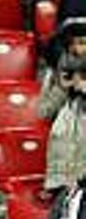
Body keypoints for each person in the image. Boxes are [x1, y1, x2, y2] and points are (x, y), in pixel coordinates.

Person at [40, 19, 86, 195]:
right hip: (63, 166)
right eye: (75, 43)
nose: (79, 48)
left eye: (83, 42)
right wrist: (62, 89)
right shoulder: (57, 71)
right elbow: (44, 112)